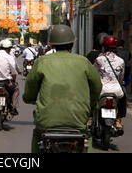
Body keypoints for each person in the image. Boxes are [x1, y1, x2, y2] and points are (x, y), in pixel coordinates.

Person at [23, 25, 102, 153]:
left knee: (38, 135)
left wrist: (29, 98)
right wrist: (91, 104)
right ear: (71, 44)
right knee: (86, 138)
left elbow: (30, 88)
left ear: (52, 45)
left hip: (46, 122)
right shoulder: (83, 62)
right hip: (78, 121)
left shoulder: (42, 62)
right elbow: (97, 86)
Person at [94, 36, 126, 130]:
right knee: (124, 96)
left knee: (91, 98)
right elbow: (121, 77)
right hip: (116, 89)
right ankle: (119, 119)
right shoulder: (121, 61)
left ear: (104, 47)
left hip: (101, 89)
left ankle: (90, 118)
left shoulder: (99, 59)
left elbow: (94, 74)